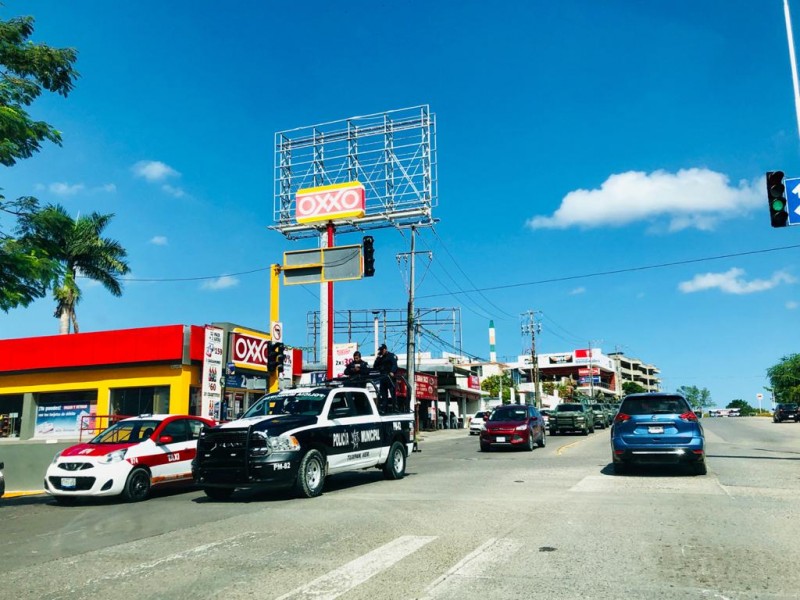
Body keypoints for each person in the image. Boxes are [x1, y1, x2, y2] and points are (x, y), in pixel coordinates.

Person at [373, 343, 398, 413]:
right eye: (380, 350)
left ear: (385, 349)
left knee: (393, 393)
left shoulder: (391, 356)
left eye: (382, 350)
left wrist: (392, 371)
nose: (381, 351)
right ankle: (384, 409)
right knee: (384, 395)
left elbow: (395, 365)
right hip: (383, 378)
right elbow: (375, 366)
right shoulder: (380, 358)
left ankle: (395, 408)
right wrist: (378, 357)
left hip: (390, 378)